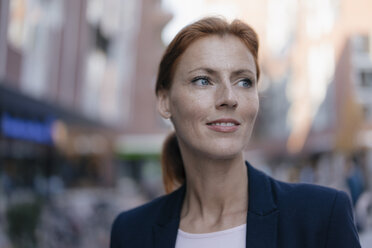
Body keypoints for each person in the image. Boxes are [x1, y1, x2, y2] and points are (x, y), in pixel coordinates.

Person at [110, 17, 361, 248]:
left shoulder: (321, 216)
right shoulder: (131, 231)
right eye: (203, 80)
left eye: (244, 82)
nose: (229, 98)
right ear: (165, 101)